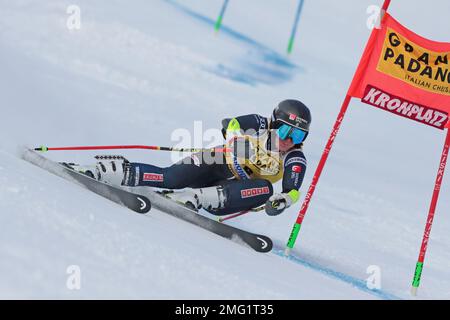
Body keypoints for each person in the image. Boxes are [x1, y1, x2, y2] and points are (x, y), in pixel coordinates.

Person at [69, 99, 311, 216]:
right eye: (285, 130)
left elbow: (291, 190)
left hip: (229, 195)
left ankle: (193, 198)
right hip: (216, 163)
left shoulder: (294, 157)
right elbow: (232, 122)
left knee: (266, 188)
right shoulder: (260, 124)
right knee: (170, 177)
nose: (288, 139)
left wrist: (283, 201)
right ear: (274, 123)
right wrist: (235, 136)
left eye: (298, 134)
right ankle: (103, 170)